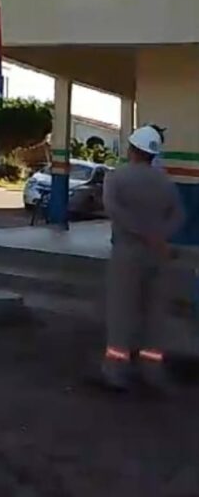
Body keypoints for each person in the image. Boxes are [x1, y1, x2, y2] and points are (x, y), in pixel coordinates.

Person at [101, 124, 185, 391]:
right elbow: (180, 216)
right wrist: (159, 236)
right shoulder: (166, 183)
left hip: (127, 252)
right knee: (154, 313)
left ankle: (116, 369)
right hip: (158, 255)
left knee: (122, 311)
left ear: (133, 149)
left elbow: (114, 210)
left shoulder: (116, 178)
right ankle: (151, 370)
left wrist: (141, 232)